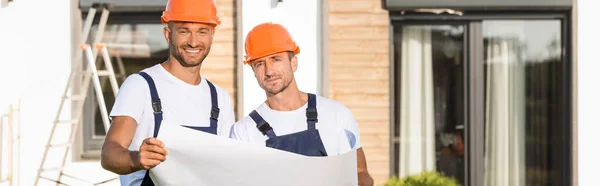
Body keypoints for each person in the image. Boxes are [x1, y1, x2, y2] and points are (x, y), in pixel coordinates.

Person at [100, 0, 235, 185]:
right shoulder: (141, 86)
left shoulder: (220, 99)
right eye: (184, 31)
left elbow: (224, 167)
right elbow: (109, 154)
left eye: (202, 31)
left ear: (212, 35)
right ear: (168, 34)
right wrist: (137, 158)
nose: (193, 41)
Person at [230, 22, 374, 186]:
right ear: (253, 72)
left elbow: (360, 173)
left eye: (275, 59)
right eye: (259, 64)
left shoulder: (336, 115)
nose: (269, 71)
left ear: (293, 63)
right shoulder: (243, 133)